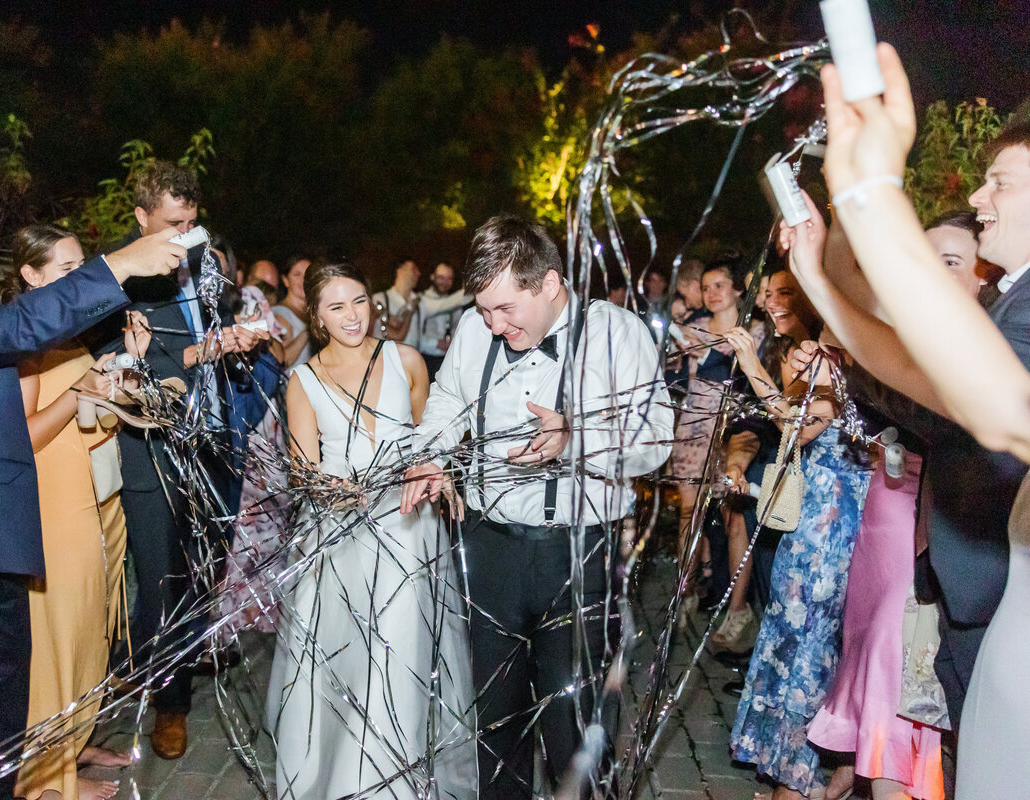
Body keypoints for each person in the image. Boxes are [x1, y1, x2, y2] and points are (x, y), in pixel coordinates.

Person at [788, 44, 1030, 799]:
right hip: (996, 607)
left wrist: (873, 193)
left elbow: (983, 401)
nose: (980, 195)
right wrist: (824, 284)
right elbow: (938, 379)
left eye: (1002, 181)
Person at [0, 192, 182, 798]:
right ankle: (33, 779)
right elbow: (22, 337)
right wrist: (123, 264)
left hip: (9, 521)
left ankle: (53, 761)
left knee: (34, 671)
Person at [400, 214, 673, 797]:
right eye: (485, 312)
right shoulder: (478, 330)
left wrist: (577, 439)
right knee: (497, 724)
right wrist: (432, 455)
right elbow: (448, 400)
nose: (494, 326)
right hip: (488, 546)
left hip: (579, 555)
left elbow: (657, 440)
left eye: (505, 310)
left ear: (550, 284)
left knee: (574, 726)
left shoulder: (618, 334)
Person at [89, 160, 281, 760]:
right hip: (153, 449)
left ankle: (174, 673)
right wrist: (207, 349)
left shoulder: (204, 261)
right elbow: (119, 363)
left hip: (219, 443)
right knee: (161, 581)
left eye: (193, 222)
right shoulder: (114, 277)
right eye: (173, 224)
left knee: (206, 577)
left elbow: (216, 325)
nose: (186, 236)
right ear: (142, 217)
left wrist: (239, 336)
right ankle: (165, 704)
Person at [266, 259, 476, 799]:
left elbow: (434, 445)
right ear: (316, 316)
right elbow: (304, 474)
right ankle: (334, 775)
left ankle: (394, 783)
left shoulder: (407, 361)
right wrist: (339, 491)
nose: (353, 315)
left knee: (401, 653)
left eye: (359, 301)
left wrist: (438, 473)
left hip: (407, 529)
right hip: (338, 534)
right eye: (337, 306)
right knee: (341, 659)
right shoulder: (303, 382)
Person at [795, 212, 986, 800]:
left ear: (989, 277)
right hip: (894, 512)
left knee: (898, 659)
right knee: (876, 653)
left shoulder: (990, 348)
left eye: (950, 261)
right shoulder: (912, 336)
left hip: (946, 541)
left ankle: (891, 768)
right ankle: (872, 762)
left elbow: (935, 417)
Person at [0, 226, 140, 800]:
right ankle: (46, 780)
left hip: (93, 499)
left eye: (82, 266)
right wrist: (80, 395)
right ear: (32, 277)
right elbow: (20, 435)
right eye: (67, 268)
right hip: (50, 506)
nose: (80, 279)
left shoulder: (69, 340)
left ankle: (73, 744)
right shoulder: (24, 344)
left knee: (89, 630)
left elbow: (93, 419)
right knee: (59, 638)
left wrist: (123, 374)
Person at [726, 269, 871, 800]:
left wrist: (747, 364)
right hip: (815, 509)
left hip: (835, 517)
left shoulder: (850, 344)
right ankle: (782, 767)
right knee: (789, 631)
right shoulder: (827, 342)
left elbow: (798, 423)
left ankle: (800, 775)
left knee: (810, 637)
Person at [671, 258, 765, 624]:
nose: (711, 294)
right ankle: (686, 591)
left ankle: (731, 602)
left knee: (730, 518)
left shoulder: (756, 331)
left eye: (719, 286)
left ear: (738, 290)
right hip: (694, 427)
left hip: (732, 431)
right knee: (688, 514)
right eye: (706, 287)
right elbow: (678, 371)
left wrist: (711, 351)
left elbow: (753, 375)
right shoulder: (693, 325)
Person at [412, 261, 471, 379]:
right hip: (425, 360)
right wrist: (436, 343)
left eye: (449, 279)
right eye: (441, 278)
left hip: (447, 361)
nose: (445, 283)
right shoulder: (420, 299)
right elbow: (414, 337)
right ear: (432, 277)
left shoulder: (455, 302)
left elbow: (457, 329)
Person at [273, 255, 312, 368]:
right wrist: (308, 331)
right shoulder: (279, 315)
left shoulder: (315, 311)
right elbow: (282, 361)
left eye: (308, 274)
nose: (304, 280)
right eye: (297, 274)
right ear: (285, 280)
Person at [371, 258, 420, 342]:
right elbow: (397, 336)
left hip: (413, 354)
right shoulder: (380, 299)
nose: (419, 273)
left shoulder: (419, 300)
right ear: (400, 270)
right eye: (413, 269)